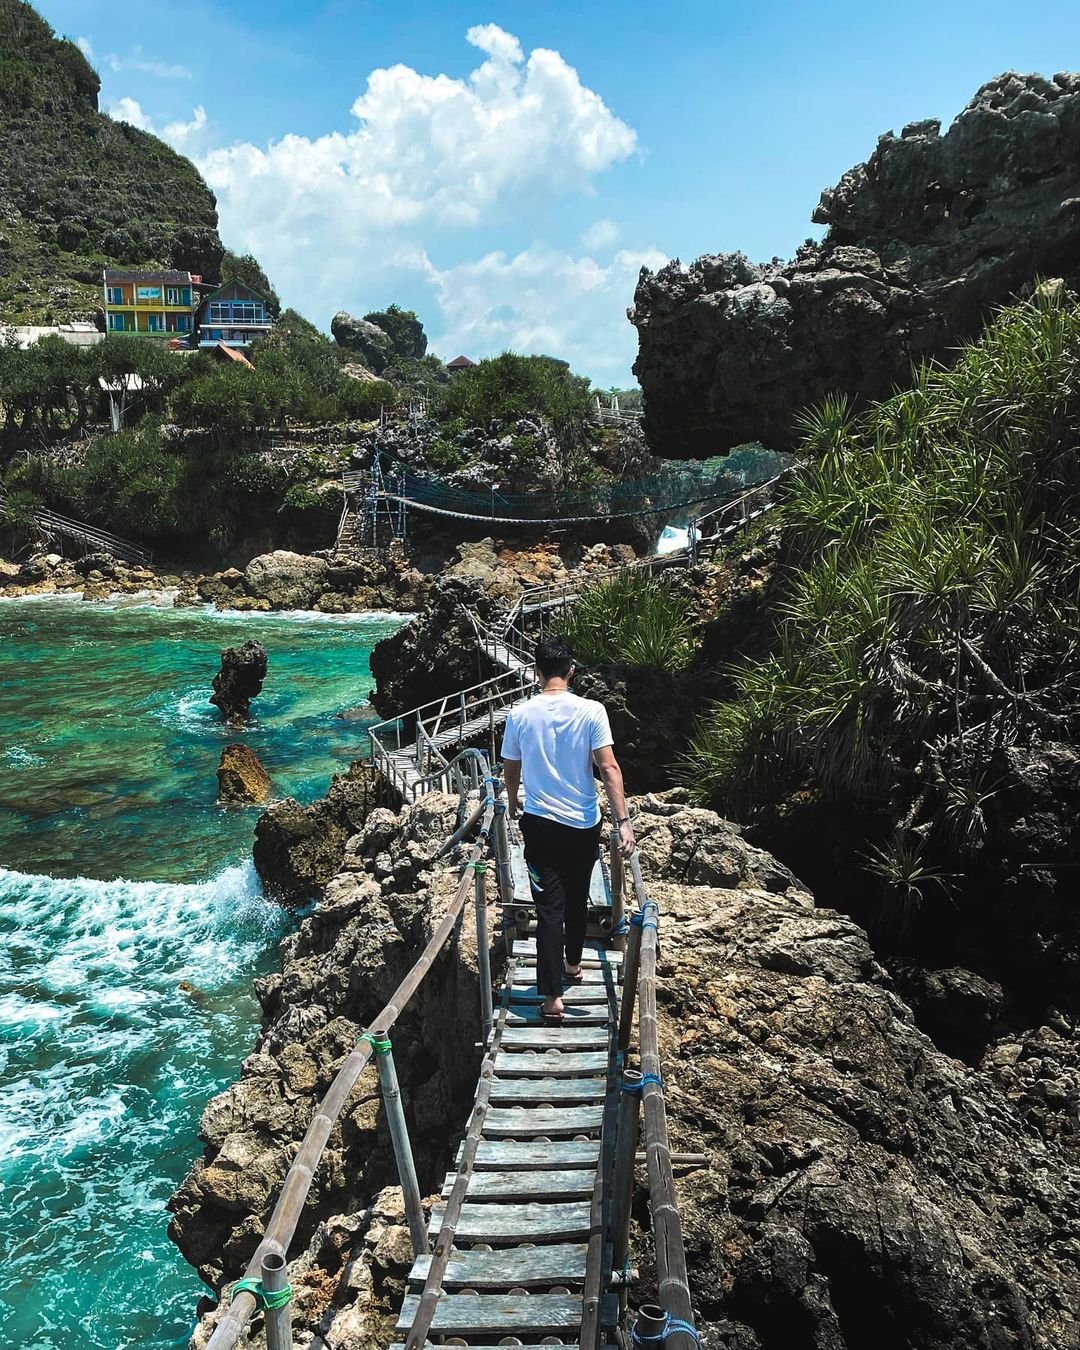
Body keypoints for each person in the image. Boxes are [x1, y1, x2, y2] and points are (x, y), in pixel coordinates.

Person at [501, 639, 635, 1022]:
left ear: (536, 671)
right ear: (571, 670)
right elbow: (608, 768)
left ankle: (552, 999)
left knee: (549, 909)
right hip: (583, 825)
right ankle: (573, 964)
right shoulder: (592, 710)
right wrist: (623, 821)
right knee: (577, 899)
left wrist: (512, 798)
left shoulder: (519, 714)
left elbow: (511, 765)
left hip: (540, 826)